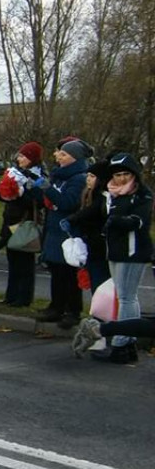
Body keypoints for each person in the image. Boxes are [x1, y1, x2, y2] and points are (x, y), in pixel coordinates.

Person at [87, 152, 153, 364]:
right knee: (123, 296)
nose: (121, 178)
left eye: (125, 174)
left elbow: (139, 222)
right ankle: (125, 343)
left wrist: (117, 221)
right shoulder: (112, 194)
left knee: (127, 297)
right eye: (116, 175)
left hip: (133, 252)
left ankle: (122, 343)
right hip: (115, 250)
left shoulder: (141, 195)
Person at [27, 138, 89, 329]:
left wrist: (47, 188)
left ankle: (72, 311)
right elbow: (49, 200)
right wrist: (35, 189)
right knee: (57, 271)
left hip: (68, 232)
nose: (58, 157)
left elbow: (68, 203)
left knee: (69, 273)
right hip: (54, 229)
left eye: (63, 154)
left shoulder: (79, 178)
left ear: (74, 158)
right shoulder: (59, 176)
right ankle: (56, 306)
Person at [0, 142, 45, 307]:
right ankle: (11, 295)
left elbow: (37, 201)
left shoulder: (37, 176)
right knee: (12, 260)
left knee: (25, 262)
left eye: (23, 156)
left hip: (24, 222)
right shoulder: (16, 173)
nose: (19, 159)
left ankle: (24, 297)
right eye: (20, 156)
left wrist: (20, 193)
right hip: (11, 220)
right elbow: (11, 199)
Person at [65, 159, 112, 292]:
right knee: (93, 279)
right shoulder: (87, 195)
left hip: (100, 247)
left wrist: (73, 219)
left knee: (100, 282)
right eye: (88, 176)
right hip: (89, 245)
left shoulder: (103, 198)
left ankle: (102, 312)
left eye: (92, 176)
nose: (88, 180)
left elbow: (88, 213)